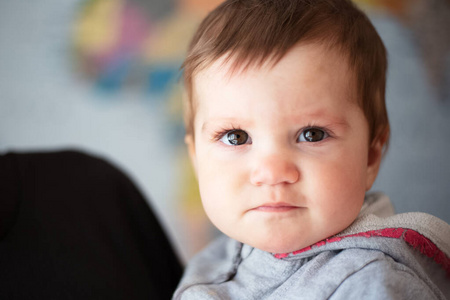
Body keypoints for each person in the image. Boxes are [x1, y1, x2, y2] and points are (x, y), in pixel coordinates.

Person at [173, 0, 450, 299]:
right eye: (236, 137)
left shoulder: (370, 282)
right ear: (196, 158)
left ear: (370, 157)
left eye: (311, 134)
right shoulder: (215, 260)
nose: (272, 172)